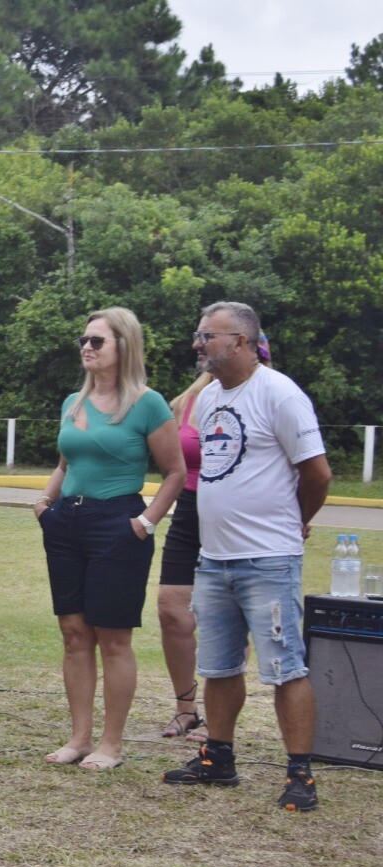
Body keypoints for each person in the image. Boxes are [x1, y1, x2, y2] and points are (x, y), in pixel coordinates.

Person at [163, 302, 331, 812]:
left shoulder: (279, 393)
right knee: (218, 667)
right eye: (198, 334)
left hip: (267, 558)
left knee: (285, 668)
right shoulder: (211, 397)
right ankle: (219, 758)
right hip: (214, 558)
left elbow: (318, 474)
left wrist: (293, 523)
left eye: (208, 336)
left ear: (240, 340)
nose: (198, 343)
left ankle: (300, 773)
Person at [33, 309, 185, 770]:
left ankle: (110, 744)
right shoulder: (71, 403)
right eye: (84, 339)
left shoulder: (147, 403)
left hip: (118, 522)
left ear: (124, 345)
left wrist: (145, 522)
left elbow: (175, 471)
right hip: (67, 523)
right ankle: (79, 738)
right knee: (74, 633)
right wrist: (44, 504)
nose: (87, 347)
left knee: (113, 637)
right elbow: (65, 462)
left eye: (97, 341)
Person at [155, 331, 274, 742]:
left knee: (229, 614)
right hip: (191, 508)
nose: (202, 348)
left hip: (244, 511)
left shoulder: (267, 395)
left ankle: (220, 718)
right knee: (172, 609)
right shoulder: (192, 400)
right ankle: (186, 709)